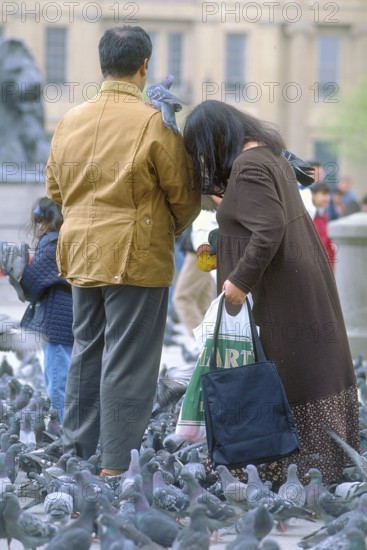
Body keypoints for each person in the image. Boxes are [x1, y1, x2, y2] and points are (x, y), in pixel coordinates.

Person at [46, 26, 200, 476]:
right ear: (145, 66)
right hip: (135, 256)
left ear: (101, 66)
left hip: (79, 254)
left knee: (86, 351)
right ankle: (115, 466)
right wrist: (166, 229)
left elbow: (55, 189)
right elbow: (185, 194)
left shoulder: (69, 119)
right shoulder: (154, 121)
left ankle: (77, 456)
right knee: (128, 360)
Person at [183, 99, 359, 485]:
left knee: (287, 372)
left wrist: (239, 281)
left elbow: (268, 229)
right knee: (306, 367)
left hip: (280, 293)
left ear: (214, 139)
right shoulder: (266, 156)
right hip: (295, 286)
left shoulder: (248, 166)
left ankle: (282, 468)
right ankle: (325, 462)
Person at [20, 197, 73, 421]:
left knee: (57, 383)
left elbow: (30, 286)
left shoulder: (52, 243)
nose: (40, 226)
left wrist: (17, 269)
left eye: (42, 221)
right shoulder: (67, 240)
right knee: (67, 379)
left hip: (56, 327)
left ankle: (63, 429)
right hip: (69, 322)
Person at [310, 182, 336, 269]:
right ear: (313, 195)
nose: (327, 198)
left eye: (328, 195)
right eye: (323, 194)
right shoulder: (309, 215)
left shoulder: (324, 214)